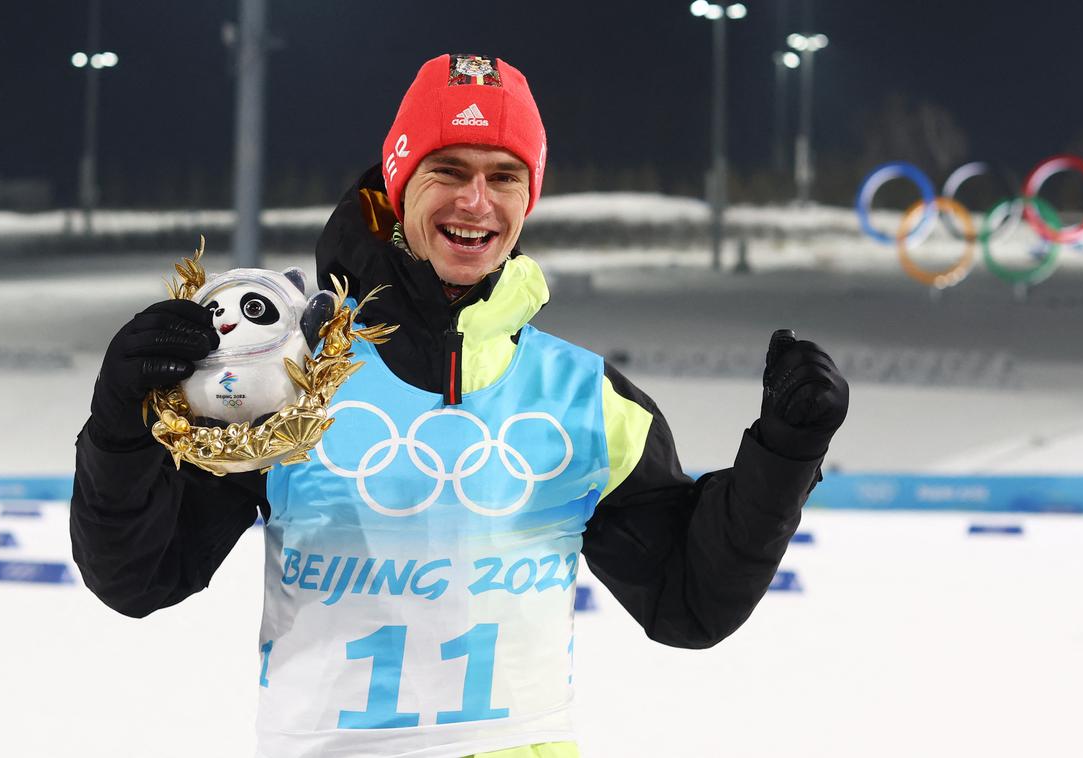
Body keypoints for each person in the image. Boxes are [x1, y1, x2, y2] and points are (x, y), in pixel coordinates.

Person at [71, 53, 849, 758]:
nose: (476, 201)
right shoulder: (291, 381)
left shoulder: (585, 401)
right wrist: (120, 430)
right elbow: (140, 578)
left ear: (529, 198)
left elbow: (690, 603)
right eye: (448, 168)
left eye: (505, 175)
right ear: (401, 179)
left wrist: (785, 452)